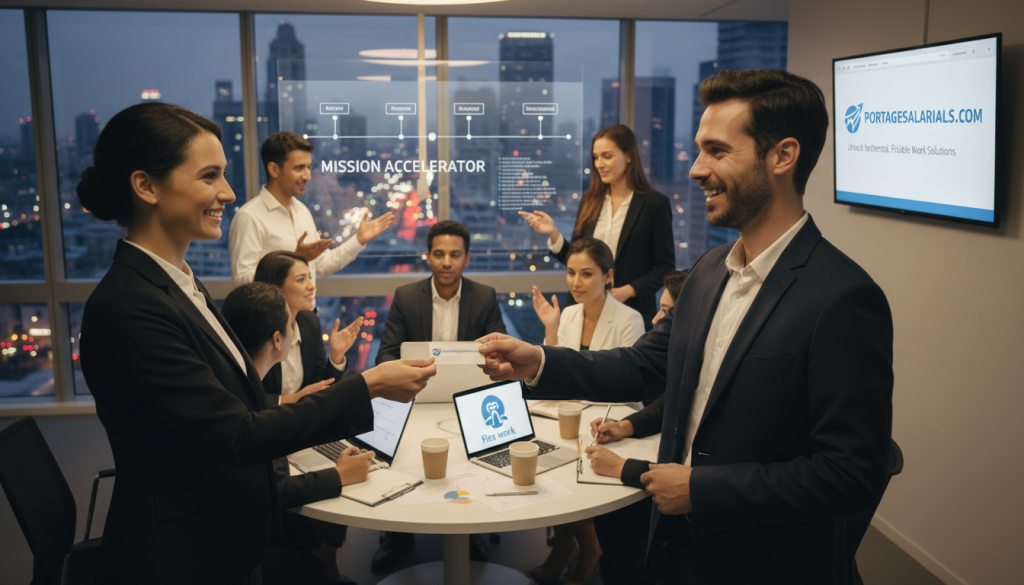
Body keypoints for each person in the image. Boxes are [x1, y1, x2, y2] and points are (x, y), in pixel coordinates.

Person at [477, 69, 894, 585]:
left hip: (766, 563)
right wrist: (538, 360)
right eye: (698, 150)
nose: (696, 170)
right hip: (676, 550)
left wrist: (701, 490)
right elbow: (641, 365)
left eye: (717, 151)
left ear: (783, 156)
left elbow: (850, 474)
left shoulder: (843, 298)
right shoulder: (708, 271)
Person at [76, 102, 436, 584]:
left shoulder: (181, 284)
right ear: (146, 187)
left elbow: (221, 406)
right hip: (180, 556)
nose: (227, 192)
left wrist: (296, 398)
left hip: (221, 538)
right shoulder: (129, 307)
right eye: (209, 177)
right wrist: (365, 385)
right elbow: (237, 436)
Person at [372, 219, 507, 573]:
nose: (447, 262)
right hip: (416, 395)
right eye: (439, 254)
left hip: (469, 397)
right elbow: (385, 356)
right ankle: (399, 535)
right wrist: (407, 373)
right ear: (428, 256)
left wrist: (491, 359)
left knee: (473, 460)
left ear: (467, 258)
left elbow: (501, 349)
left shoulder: (484, 296)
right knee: (401, 459)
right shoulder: (405, 296)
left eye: (455, 255)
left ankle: (472, 529)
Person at [222, 282, 369, 585]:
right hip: (242, 541)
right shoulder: (246, 404)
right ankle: (322, 569)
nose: (296, 331)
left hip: (226, 521)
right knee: (312, 558)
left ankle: (325, 561)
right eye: (291, 325)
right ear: (277, 339)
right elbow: (271, 490)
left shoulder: (229, 385)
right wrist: (339, 476)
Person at [528, 237, 645, 585]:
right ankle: (565, 543)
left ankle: (588, 549)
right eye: (570, 273)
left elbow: (628, 386)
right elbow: (563, 374)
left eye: (587, 274)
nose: (576, 282)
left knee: (566, 463)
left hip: (613, 422)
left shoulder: (630, 318)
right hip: (572, 415)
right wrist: (551, 330)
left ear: (608, 276)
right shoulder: (569, 314)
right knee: (543, 454)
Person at [582, 269, 688, 585]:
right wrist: (625, 426)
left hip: (688, 522)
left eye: (667, 313)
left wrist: (623, 468)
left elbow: (684, 476)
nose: (656, 321)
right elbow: (669, 403)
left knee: (616, 519)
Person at [519, 124, 675, 328]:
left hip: (630, 311)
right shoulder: (590, 200)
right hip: (582, 309)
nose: (599, 163)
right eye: (595, 157)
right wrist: (553, 233)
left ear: (628, 156)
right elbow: (576, 259)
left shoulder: (654, 204)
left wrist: (627, 290)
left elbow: (665, 267)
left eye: (607, 156)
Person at [229, 131, 394, 288]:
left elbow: (323, 265)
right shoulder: (249, 217)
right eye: (299, 168)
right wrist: (294, 260)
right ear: (274, 170)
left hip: (306, 314)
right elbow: (241, 282)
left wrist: (358, 240)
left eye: (308, 167)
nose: (308, 176)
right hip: (273, 317)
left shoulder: (302, 211)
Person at [253, 250, 361, 401]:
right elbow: (246, 396)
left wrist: (336, 355)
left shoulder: (309, 323)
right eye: (301, 280)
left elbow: (321, 388)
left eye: (309, 278)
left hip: (304, 420)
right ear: (276, 287)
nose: (312, 286)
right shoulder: (254, 329)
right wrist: (296, 398)